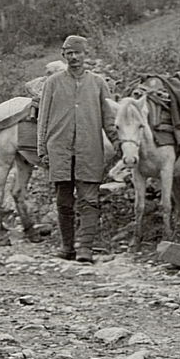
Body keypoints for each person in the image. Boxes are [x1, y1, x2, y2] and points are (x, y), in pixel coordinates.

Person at [36, 34, 120, 264]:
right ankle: (67, 247)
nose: (74, 58)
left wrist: (119, 144)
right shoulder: (52, 83)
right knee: (64, 201)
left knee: (89, 200)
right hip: (60, 150)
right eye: (69, 53)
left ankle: (85, 248)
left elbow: (109, 119)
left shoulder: (98, 83)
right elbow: (42, 119)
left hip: (90, 149)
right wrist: (42, 149)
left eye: (77, 53)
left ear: (85, 55)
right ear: (64, 56)